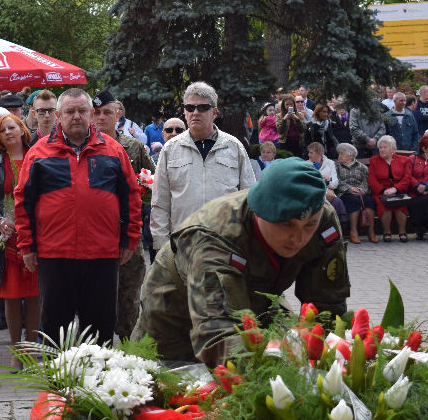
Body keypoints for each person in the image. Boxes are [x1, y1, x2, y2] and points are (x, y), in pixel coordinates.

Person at [132, 158, 350, 366]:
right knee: (165, 384)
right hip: (174, 314)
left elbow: (327, 307)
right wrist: (273, 382)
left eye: (309, 225)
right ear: (260, 212)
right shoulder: (216, 237)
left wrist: (325, 361)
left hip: (256, 299)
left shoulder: (322, 220)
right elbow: (219, 334)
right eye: (286, 225)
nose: (299, 237)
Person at [14, 88, 142, 346]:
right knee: (54, 329)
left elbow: (132, 196)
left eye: (82, 111)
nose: (76, 117)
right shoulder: (39, 153)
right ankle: (56, 385)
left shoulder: (113, 151)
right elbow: (23, 201)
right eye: (70, 112)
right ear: (59, 115)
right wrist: (27, 245)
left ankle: (97, 384)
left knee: (100, 330)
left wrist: (130, 239)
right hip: (54, 255)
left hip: (102, 255)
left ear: (91, 114)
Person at [151, 81, 255, 249]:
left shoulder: (233, 146)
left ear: (214, 112)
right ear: (184, 112)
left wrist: (246, 243)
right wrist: (162, 245)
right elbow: (160, 202)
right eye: (190, 108)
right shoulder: (170, 149)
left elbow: (250, 199)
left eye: (203, 108)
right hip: (183, 245)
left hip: (226, 245)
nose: (195, 113)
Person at [92, 90, 156, 341]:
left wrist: (142, 195)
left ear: (117, 114)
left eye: (106, 112)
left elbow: (152, 182)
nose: (100, 118)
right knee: (98, 298)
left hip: (128, 233)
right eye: (96, 113)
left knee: (129, 296)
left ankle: (131, 350)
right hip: (97, 235)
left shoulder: (134, 146)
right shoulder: (83, 146)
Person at [0, 114, 39, 370]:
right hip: (7, 239)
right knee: (13, 296)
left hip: (37, 235)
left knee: (36, 295)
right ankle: (17, 351)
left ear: (22, 130)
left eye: (12, 127)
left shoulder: (39, 156)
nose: (8, 132)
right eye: (3, 129)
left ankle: (32, 346)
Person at [368, 135, 412, 242]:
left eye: (385, 147)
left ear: (393, 149)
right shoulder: (374, 160)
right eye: (380, 147)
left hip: (399, 190)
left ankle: (402, 231)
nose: (382, 150)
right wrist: (384, 190)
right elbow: (372, 180)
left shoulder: (404, 160)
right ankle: (386, 231)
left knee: (400, 203)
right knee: (384, 203)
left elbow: (407, 178)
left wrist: (396, 189)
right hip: (382, 191)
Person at [334, 143, 378, 244]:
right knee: (353, 201)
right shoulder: (336, 167)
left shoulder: (362, 167)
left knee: (370, 201)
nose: (339, 156)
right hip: (345, 193)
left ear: (351, 155)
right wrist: (349, 189)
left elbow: (367, 181)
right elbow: (337, 181)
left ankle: (371, 231)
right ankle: (353, 232)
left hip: (361, 193)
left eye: (342, 154)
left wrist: (362, 190)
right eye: (339, 154)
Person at [307, 142, 348, 230]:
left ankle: (336, 233)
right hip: (313, 193)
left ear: (319, 153)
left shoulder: (330, 163)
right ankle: (322, 235)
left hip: (327, 192)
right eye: (309, 152)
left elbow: (335, 183)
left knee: (337, 202)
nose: (308, 155)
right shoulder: (306, 164)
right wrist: (321, 179)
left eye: (311, 152)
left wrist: (329, 181)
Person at [408, 134, 428, 242]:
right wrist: (417, 186)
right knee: (415, 202)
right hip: (415, 191)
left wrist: (427, 186)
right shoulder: (412, 159)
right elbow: (408, 175)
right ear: (424, 148)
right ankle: (420, 228)